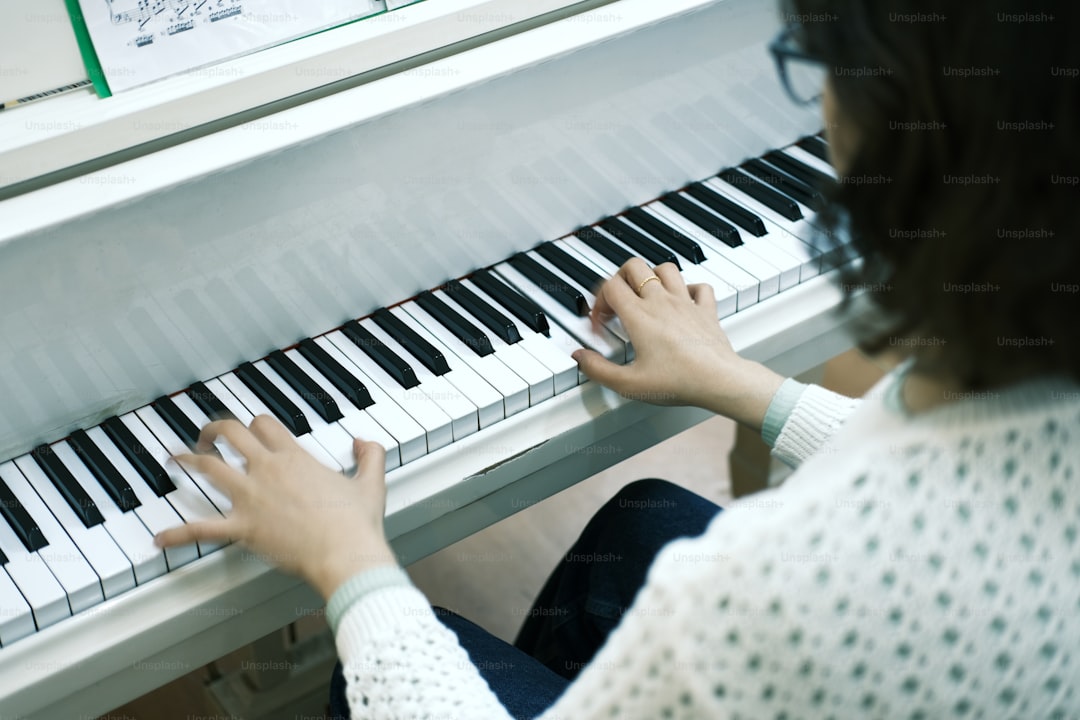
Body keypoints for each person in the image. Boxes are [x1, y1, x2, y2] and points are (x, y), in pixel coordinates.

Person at [155, 0, 1080, 717]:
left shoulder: (788, 582)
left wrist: (344, 554)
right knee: (642, 521)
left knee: (395, 648)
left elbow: (859, 559)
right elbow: (971, 478)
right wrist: (744, 385)